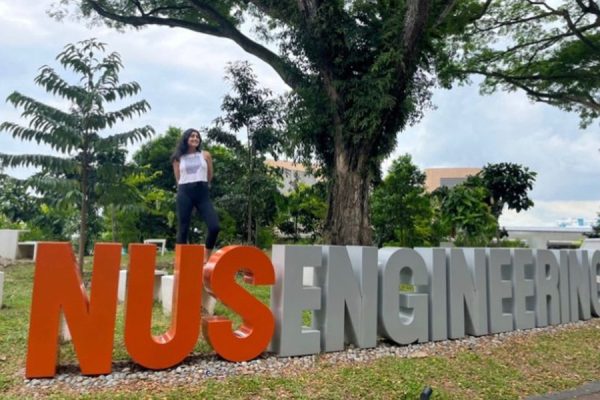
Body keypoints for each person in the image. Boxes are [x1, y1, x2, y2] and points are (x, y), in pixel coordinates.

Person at [171, 128, 220, 315]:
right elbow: (178, 178)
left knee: (215, 226)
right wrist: (185, 193)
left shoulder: (205, 155)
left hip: (202, 192)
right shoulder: (178, 158)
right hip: (184, 192)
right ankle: (180, 265)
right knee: (183, 229)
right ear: (186, 139)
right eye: (192, 136)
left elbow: (210, 175)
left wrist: (202, 187)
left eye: (197, 137)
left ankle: (206, 259)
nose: (195, 138)